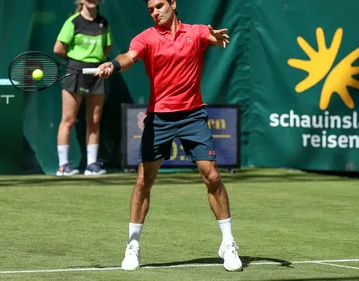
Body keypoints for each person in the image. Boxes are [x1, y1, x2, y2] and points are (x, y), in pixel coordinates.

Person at [95, 0, 243, 272]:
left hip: (192, 116)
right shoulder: (147, 37)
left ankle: (229, 243)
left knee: (212, 175)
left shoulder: (196, 31)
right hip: (159, 118)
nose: (155, 12)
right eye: (150, 9)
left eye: (159, 5)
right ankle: (133, 245)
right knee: (143, 180)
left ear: (173, 4)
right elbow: (130, 57)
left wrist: (214, 37)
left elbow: (209, 36)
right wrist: (114, 65)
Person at [53, 0, 111, 176]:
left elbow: (107, 48)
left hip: (97, 71)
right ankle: (63, 166)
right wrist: (76, 62)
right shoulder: (73, 22)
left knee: (94, 120)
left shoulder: (103, 22)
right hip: (76, 71)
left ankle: (92, 165)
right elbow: (59, 49)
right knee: (68, 120)